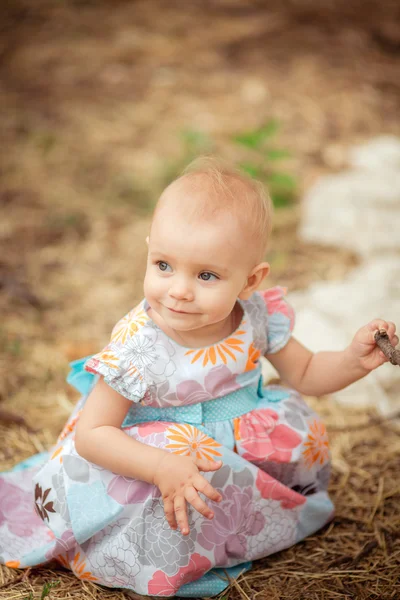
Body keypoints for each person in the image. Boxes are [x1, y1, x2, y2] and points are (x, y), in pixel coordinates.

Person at [0, 158, 398, 597]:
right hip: (149, 455)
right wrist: (159, 466)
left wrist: (353, 360)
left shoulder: (256, 316)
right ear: (149, 250)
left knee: (300, 442)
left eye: (206, 275)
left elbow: (305, 373)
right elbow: (93, 434)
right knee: (165, 506)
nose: (179, 289)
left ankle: (247, 520)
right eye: (164, 265)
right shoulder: (139, 345)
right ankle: (153, 556)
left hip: (233, 448)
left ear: (250, 280)